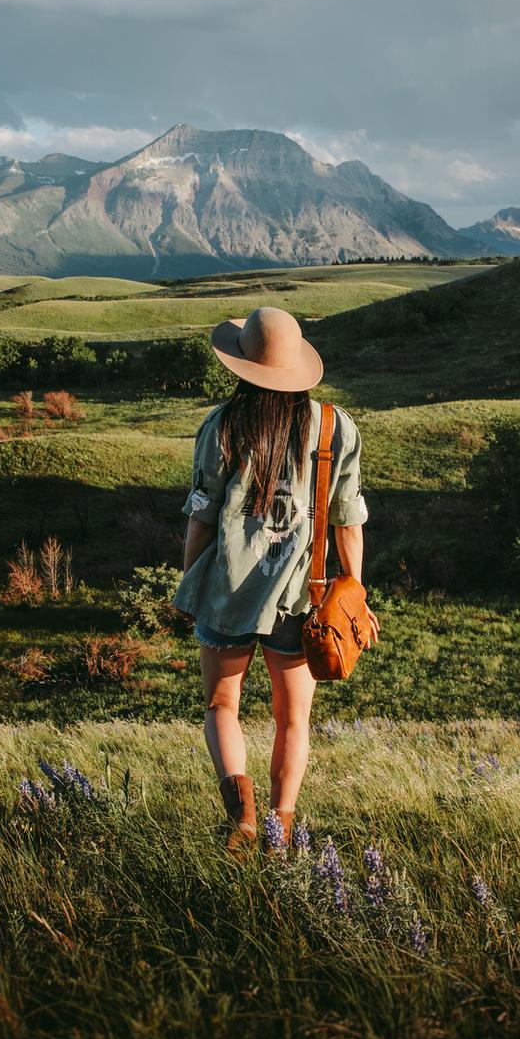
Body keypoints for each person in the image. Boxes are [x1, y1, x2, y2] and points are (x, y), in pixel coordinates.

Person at [173, 306, 379, 853]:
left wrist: (190, 582)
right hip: (300, 600)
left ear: (240, 368)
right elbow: (348, 520)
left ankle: (240, 815)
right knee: (294, 721)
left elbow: (201, 516)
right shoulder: (334, 427)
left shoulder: (220, 426)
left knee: (222, 706)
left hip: (226, 593)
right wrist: (352, 591)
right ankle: (278, 830)